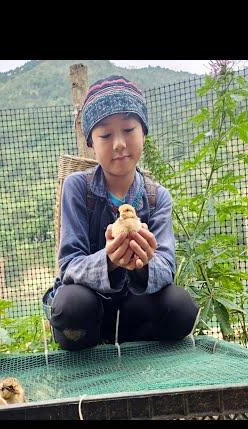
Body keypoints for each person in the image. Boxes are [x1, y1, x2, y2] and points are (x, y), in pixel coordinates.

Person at [46, 75, 199, 351]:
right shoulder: (77, 188)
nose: (118, 143)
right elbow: (69, 265)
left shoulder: (157, 196)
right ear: (91, 142)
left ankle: (130, 349)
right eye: (105, 135)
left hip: (134, 310)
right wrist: (110, 260)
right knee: (71, 307)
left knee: (182, 307)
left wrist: (145, 264)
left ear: (143, 132)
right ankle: (91, 350)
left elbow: (166, 266)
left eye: (128, 130)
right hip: (91, 311)